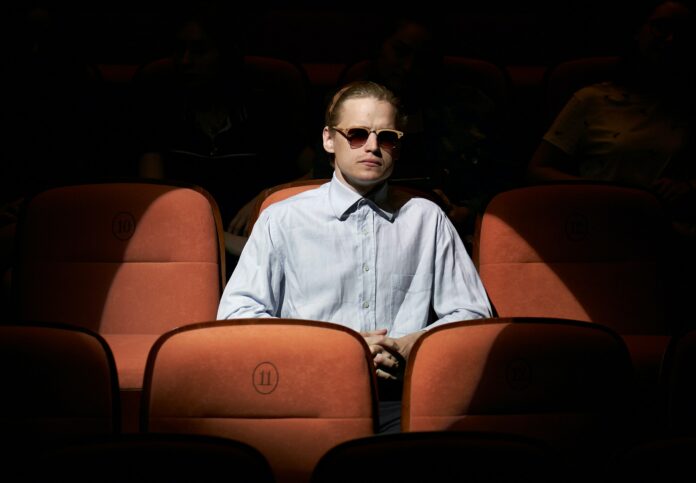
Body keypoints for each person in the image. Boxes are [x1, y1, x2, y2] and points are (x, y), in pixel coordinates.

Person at [217, 80, 493, 433]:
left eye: (387, 137)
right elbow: (237, 316)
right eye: (358, 134)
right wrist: (341, 348)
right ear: (329, 140)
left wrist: (414, 345)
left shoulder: (427, 218)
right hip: (306, 396)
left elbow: (472, 314)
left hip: (405, 398)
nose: (373, 147)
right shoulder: (283, 219)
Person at [226, 15, 516, 248]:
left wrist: (470, 211)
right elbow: (323, 179)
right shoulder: (346, 106)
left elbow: (497, 180)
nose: (409, 66)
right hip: (343, 232)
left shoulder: (468, 109)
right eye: (400, 51)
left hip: (442, 232)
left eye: (423, 57)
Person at [527, 0, 696, 222]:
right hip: (598, 219)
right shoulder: (592, 100)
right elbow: (538, 169)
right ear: (638, 30)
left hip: (667, 226)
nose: (670, 39)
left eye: (682, 32)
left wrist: (687, 187)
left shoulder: (687, 108)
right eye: (661, 27)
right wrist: (600, 192)